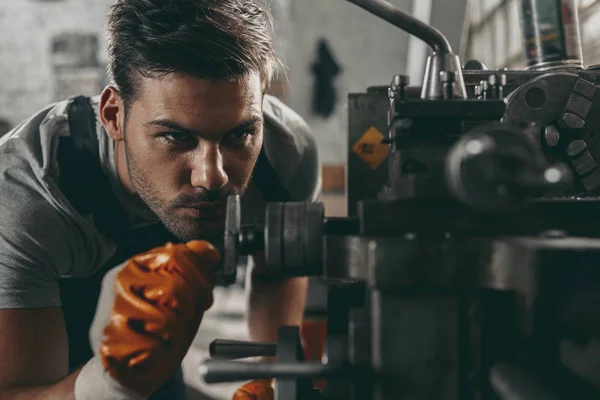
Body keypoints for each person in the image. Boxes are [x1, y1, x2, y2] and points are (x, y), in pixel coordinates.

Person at [0, 0, 321, 399]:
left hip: (164, 353)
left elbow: (278, 271)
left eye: (239, 135)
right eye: (175, 136)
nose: (213, 177)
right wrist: (107, 385)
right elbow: (18, 391)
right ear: (114, 116)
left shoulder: (285, 156)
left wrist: (270, 376)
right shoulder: (26, 195)